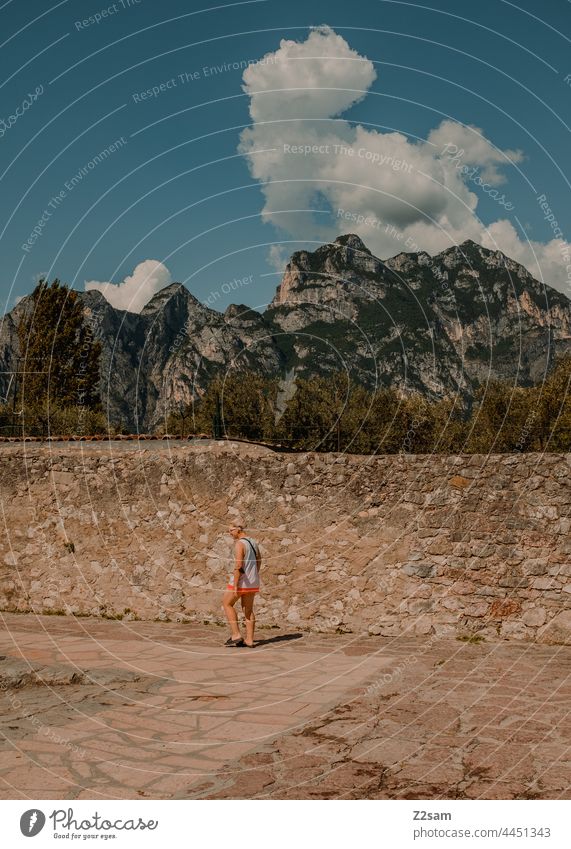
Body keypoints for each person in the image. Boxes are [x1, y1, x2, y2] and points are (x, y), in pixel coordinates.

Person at [222, 523, 261, 648]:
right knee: (248, 610)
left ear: (238, 530)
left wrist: (235, 584)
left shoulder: (240, 544)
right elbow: (259, 560)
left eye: (231, 530)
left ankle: (236, 634)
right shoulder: (253, 542)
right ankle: (249, 640)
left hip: (241, 581)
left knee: (227, 604)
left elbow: (238, 565)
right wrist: (254, 573)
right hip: (252, 581)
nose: (230, 533)